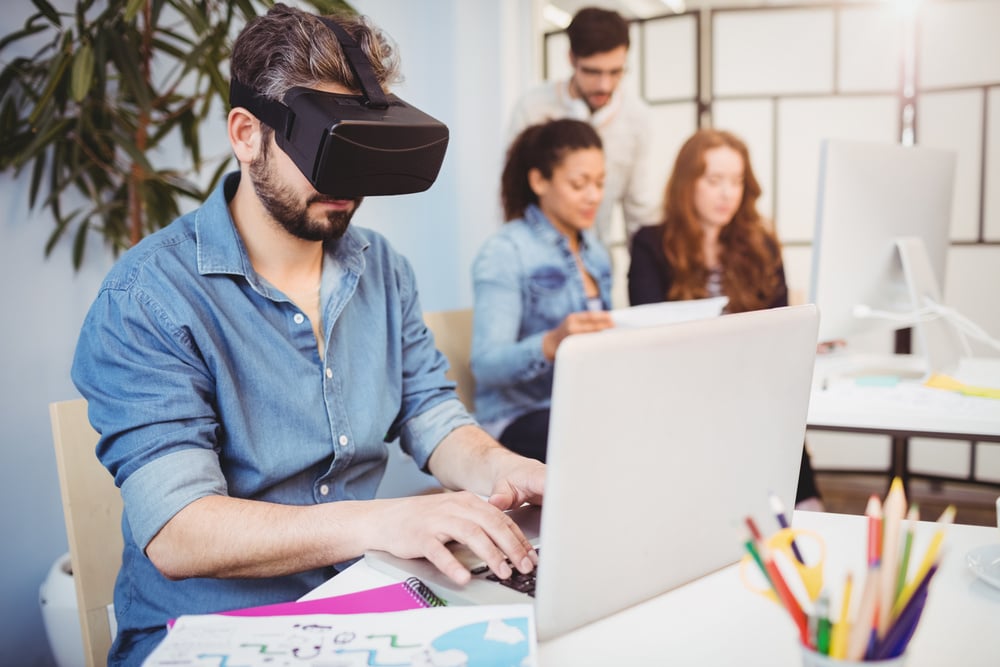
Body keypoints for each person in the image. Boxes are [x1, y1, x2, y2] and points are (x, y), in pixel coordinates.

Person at [70, 6, 543, 665]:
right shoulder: (148, 297)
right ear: (247, 134)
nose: (348, 184)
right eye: (330, 149)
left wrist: (506, 468)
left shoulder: (383, 270)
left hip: (366, 608)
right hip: (211, 633)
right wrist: (384, 520)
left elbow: (432, 413)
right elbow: (179, 530)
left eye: (363, 151)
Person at [627, 128, 824, 510]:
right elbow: (649, 328)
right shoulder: (651, 243)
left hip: (751, 381)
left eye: (736, 181)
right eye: (714, 180)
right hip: (682, 386)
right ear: (688, 184)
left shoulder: (760, 244)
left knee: (774, 410)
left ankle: (804, 508)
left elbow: (781, 323)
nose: (727, 193)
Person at [471, 119, 615, 463]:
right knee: (605, 438)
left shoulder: (596, 252)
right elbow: (486, 364)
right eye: (579, 184)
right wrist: (551, 343)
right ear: (539, 181)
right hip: (517, 415)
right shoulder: (506, 251)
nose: (594, 195)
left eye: (599, 183)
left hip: (582, 407)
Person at [508, 6, 661, 246]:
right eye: (592, 71)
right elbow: (515, 194)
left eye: (615, 72)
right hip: (537, 253)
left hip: (596, 257)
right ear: (571, 58)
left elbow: (640, 210)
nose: (604, 85)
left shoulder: (637, 119)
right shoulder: (533, 109)